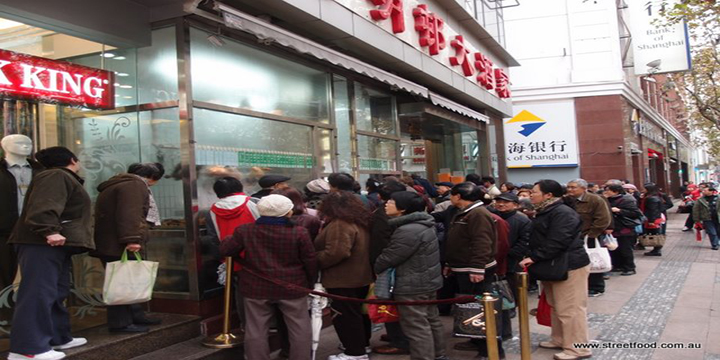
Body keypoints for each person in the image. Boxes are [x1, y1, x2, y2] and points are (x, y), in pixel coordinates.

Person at [8, 147, 93, 360]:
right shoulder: (56, 175)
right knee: (38, 293)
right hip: (41, 242)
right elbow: (44, 205)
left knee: (55, 291)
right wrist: (49, 230)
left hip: (51, 243)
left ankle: (57, 337)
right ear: (73, 160)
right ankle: (27, 349)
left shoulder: (58, 176)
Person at [220, 194, 317, 360]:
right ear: (287, 213)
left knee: (256, 329)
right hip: (293, 286)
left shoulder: (245, 231)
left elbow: (226, 250)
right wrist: (311, 282)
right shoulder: (299, 232)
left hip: (255, 287)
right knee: (299, 327)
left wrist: (228, 239)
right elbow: (310, 260)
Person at [519, 180, 592, 360]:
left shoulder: (562, 213)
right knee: (556, 306)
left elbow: (558, 240)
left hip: (570, 265)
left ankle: (578, 348)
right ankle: (559, 339)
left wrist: (535, 257)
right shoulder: (546, 211)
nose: (530, 195)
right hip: (552, 265)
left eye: (534, 192)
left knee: (571, 309)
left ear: (548, 195)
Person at [92, 163, 165, 333]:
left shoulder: (118, 183)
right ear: (153, 177)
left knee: (128, 280)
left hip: (112, 242)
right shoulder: (133, 184)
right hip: (120, 244)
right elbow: (129, 213)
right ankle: (121, 323)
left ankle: (135, 315)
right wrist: (132, 239)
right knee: (121, 283)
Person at [374, 192, 446, 360]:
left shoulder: (408, 230)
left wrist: (377, 264)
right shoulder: (422, 224)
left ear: (403, 209)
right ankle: (438, 354)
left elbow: (391, 257)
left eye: (391, 202)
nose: (386, 204)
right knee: (430, 320)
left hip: (412, 285)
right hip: (427, 281)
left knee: (416, 326)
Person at [443, 182, 503, 359]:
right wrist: (449, 263)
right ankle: (475, 339)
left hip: (475, 269)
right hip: (463, 267)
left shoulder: (478, 213)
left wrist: (478, 268)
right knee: (471, 307)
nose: (450, 198)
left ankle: (489, 349)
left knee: (481, 308)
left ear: (458, 196)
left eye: (452, 195)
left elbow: (482, 242)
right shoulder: (464, 212)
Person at [315, 191, 374, 360]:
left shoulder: (340, 223)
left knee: (345, 316)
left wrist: (314, 258)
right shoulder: (360, 221)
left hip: (343, 278)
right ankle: (362, 345)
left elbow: (336, 252)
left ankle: (354, 352)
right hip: (360, 275)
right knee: (358, 314)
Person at [0, 134, 44, 328]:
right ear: (4, 146)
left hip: (36, 230)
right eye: (20, 143)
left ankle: (36, 316)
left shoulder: (40, 170)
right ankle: (5, 317)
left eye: (29, 143)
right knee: (3, 274)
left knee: (37, 274)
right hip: (4, 230)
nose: (26, 146)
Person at [210, 176, 260, 330]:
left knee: (240, 291)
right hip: (257, 255)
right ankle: (266, 325)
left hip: (233, 256)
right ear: (239, 187)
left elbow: (216, 235)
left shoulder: (213, 209)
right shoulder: (253, 203)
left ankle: (245, 325)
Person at [369, 181, 411, 355]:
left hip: (390, 267)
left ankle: (399, 341)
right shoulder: (403, 214)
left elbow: (380, 244)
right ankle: (398, 336)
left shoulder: (383, 216)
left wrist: (378, 267)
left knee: (391, 302)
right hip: (399, 266)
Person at [491, 192, 531, 337]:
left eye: (505, 202)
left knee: (509, 291)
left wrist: (506, 253)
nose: (501, 204)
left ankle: (509, 316)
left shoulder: (522, 220)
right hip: (493, 262)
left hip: (511, 262)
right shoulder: (491, 216)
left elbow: (525, 242)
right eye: (498, 201)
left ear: (516, 205)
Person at [566, 179, 612, 297]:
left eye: (573, 187)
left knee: (594, 260)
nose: (570, 189)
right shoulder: (566, 200)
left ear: (583, 188)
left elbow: (603, 219)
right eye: (569, 187)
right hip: (572, 237)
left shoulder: (595, 199)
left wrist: (591, 234)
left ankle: (596, 287)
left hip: (589, 236)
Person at [602, 184, 640, 275]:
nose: (606, 192)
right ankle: (618, 265)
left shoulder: (626, 200)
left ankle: (629, 267)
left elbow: (635, 213)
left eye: (608, 190)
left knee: (625, 249)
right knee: (614, 249)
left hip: (624, 228)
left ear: (615, 191)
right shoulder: (606, 200)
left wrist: (619, 211)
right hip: (613, 229)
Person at [641, 183, 666, 256]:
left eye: (644, 189)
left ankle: (657, 249)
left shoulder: (651, 198)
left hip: (652, 219)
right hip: (654, 218)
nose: (643, 190)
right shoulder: (654, 197)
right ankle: (657, 249)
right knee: (656, 233)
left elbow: (653, 210)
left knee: (655, 233)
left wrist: (651, 221)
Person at [692, 185, 720, 250]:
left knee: (718, 231)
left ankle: (717, 242)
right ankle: (715, 244)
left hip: (717, 218)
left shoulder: (718, 198)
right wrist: (697, 220)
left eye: (705, 190)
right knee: (712, 232)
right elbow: (696, 210)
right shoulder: (700, 200)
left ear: (711, 191)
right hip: (707, 218)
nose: (703, 191)